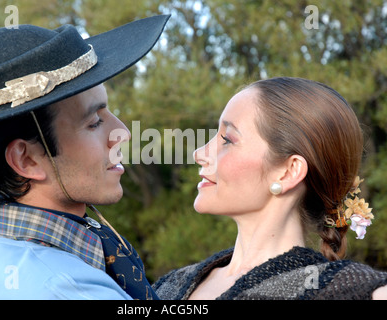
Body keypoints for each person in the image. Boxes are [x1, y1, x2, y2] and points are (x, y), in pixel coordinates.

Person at [0, 15, 169, 300]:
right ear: (27, 160)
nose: (122, 132)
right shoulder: (70, 290)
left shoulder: (1, 243)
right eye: (94, 122)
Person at [152, 77, 387, 300]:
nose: (200, 153)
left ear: (288, 172)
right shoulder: (166, 287)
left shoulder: (353, 290)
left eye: (227, 140)